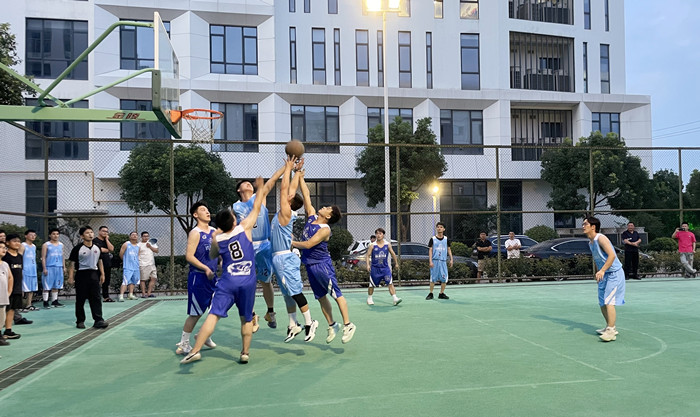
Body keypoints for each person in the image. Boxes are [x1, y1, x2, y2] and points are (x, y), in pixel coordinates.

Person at [181, 177, 271, 365]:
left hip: (228, 281)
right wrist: (261, 187)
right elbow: (257, 206)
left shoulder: (218, 239)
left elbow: (213, 255)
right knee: (246, 319)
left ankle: (195, 350)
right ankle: (245, 353)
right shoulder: (244, 227)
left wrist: (218, 238)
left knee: (213, 315)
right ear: (234, 220)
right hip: (247, 281)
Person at [291, 174, 356, 344]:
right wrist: (300, 176)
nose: (325, 207)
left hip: (322, 265)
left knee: (336, 294)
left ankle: (348, 324)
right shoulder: (312, 217)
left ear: (328, 216)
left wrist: (291, 243)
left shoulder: (325, 229)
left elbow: (308, 244)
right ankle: (332, 324)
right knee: (321, 297)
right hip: (310, 266)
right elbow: (306, 195)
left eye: (328, 208)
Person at [270, 157, 319, 343]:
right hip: (278, 258)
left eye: (289, 197)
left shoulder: (286, 214)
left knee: (295, 292)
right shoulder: (286, 211)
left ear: (289, 203)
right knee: (287, 294)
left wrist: (288, 168)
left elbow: (284, 189)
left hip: (285, 258)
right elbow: (289, 190)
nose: (287, 195)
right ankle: (293, 324)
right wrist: (296, 172)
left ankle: (310, 322)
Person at [232, 176, 279, 329]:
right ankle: (252, 315)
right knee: (248, 282)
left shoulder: (259, 197)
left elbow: (272, 182)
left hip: (264, 245)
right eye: (245, 183)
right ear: (239, 190)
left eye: (250, 183)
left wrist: (287, 167)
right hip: (247, 246)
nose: (249, 184)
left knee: (266, 281)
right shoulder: (236, 207)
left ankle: (270, 312)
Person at [175, 201, 219, 356]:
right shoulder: (195, 233)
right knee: (196, 313)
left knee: (216, 309)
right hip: (199, 278)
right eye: (203, 210)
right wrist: (205, 268)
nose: (207, 212)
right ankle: (183, 343)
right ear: (195, 215)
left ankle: (204, 335)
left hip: (214, 277)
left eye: (208, 209)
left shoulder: (214, 231)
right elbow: (189, 256)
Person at [583, 216, 625, 342]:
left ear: (593, 227)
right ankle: (609, 326)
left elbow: (612, 255)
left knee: (609, 301)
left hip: (614, 274)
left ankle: (611, 331)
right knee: (602, 302)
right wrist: (599, 273)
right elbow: (598, 259)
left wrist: (602, 270)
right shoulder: (591, 242)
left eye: (585, 224)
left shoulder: (600, 238)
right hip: (604, 274)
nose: (583, 226)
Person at [67, 226, 108, 329]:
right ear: (82, 236)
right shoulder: (77, 248)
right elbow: (72, 264)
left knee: (96, 298)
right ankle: (80, 321)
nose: (90, 234)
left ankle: (98, 320)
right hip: (82, 274)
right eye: (87, 233)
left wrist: (102, 274)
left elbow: (100, 261)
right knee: (80, 299)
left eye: (91, 232)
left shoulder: (97, 247)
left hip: (94, 274)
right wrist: (71, 277)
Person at [365, 227, 401, 306]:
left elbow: (393, 254)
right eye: (377, 233)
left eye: (380, 234)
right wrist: (367, 265)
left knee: (390, 283)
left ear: (383, 235)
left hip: (385, 268)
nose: (378, 235)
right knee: (371, 285)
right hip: (375, 268)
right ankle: (369, 298)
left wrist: (396, 263)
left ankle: (395, 298)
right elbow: (367, 255)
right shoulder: (372, 245)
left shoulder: (387, 244)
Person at [2, 235, 24, 340]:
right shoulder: (5, 256)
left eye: (18, 241)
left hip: (17, 287)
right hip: (6, 288)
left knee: (12, 309)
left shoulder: (20, 256)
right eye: (14, 241)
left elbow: (20, 272)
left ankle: (8, 330)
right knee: (4, 309)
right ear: (7, 243)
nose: (17, 243)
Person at [426, 222, 453, 300]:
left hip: (443, 261)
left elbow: (449, 249)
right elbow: (430, 250)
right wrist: (430, 261)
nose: (439, 228)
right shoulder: (433, 239)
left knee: (444, 278)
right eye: (438, 227)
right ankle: (431, 293)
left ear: (444, 229)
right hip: (435, 261)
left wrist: (451, 259)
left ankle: (441, 293)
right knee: (433, 278)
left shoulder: (446, 239)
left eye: (441, 227)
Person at [41, 228, 65, 308]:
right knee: (47, 285)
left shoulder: (61, 245)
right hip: (49, 267)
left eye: (57, 234)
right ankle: (45, 301)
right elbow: (43, 257)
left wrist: (64, 267)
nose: (55, 236)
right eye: (53, 234)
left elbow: (62, 257)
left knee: (56, 285)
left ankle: (55, 301)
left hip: (58, 267)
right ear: (50, 235)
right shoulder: (46, 245)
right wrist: (44, 268)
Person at [93, 226, 115, 302]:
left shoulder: (106, 241)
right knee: (97, 281)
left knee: (106, 281)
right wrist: (106, 250)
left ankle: (106, 297)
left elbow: (111, 249)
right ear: (99, 231)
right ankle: (95, 296)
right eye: (103, 231)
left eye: (106, 231)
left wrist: (107, 239)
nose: (105, 233)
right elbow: (99, 249)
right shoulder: (95, 240)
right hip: (97, 264)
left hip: (107, 263)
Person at [19, 229, 39, 311]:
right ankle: (20, 306)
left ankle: (29, 304)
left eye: (34, 235)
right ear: (26, 236)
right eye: (31, 235)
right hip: (25, 269)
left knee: (32, 288)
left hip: (32, 269)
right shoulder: (23, 245)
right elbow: (19, 257)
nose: (33, 236)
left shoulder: (34, 246)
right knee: (23, 288)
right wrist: (20, 269)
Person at [118, 232, 140, 301]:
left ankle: (130, 294)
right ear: (130, 236)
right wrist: (125, 261)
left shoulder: (138, 246)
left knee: (133, 281)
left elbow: (138, 255)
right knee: (125, 281)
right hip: (128, 267)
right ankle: (121, 295)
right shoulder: (126, 244)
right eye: (133, 235)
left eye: (136, 235)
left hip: (136, 267)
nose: (134, 236)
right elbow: (121, 254)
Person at [137, 231, 158, 298]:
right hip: (143, 264)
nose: (146, 237)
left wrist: (150, 246)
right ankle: (144, 294)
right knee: (143, 279)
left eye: (147, 236)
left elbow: (156, 251)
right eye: (144, 236)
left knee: (153, 278)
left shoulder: (152, 243)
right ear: (141, 237)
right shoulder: (139, 245)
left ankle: (149, 293)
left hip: (152, 264)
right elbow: (137, 254)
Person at [0, 241, 12, 346]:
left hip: (3, 297)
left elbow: (10, 278)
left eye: (5, 248)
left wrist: (9, 291)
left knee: (1, 317)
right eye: (1, 247)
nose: (3, 249)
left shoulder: (5, 264)